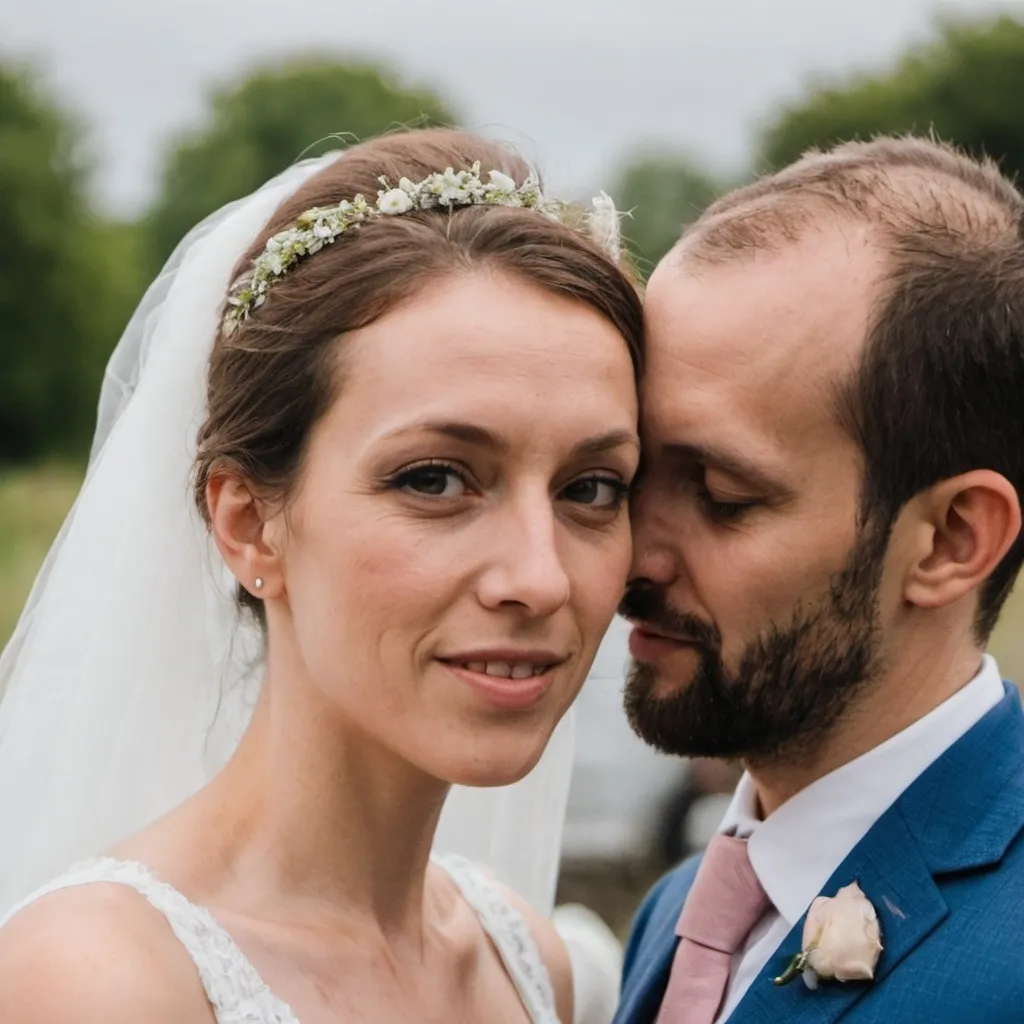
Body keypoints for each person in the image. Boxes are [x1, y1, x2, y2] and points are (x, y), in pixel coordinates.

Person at [0, 128, 643, 1024]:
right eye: (434, 480)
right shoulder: (103, 985)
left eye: (591, 488)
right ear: (249, 523)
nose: (540, 579)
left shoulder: (527, 963)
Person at [615, 135, 1024, 1024]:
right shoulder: (678, 912)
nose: (631, 557)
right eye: (625, 475)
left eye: (723, 497)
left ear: (951, 540)